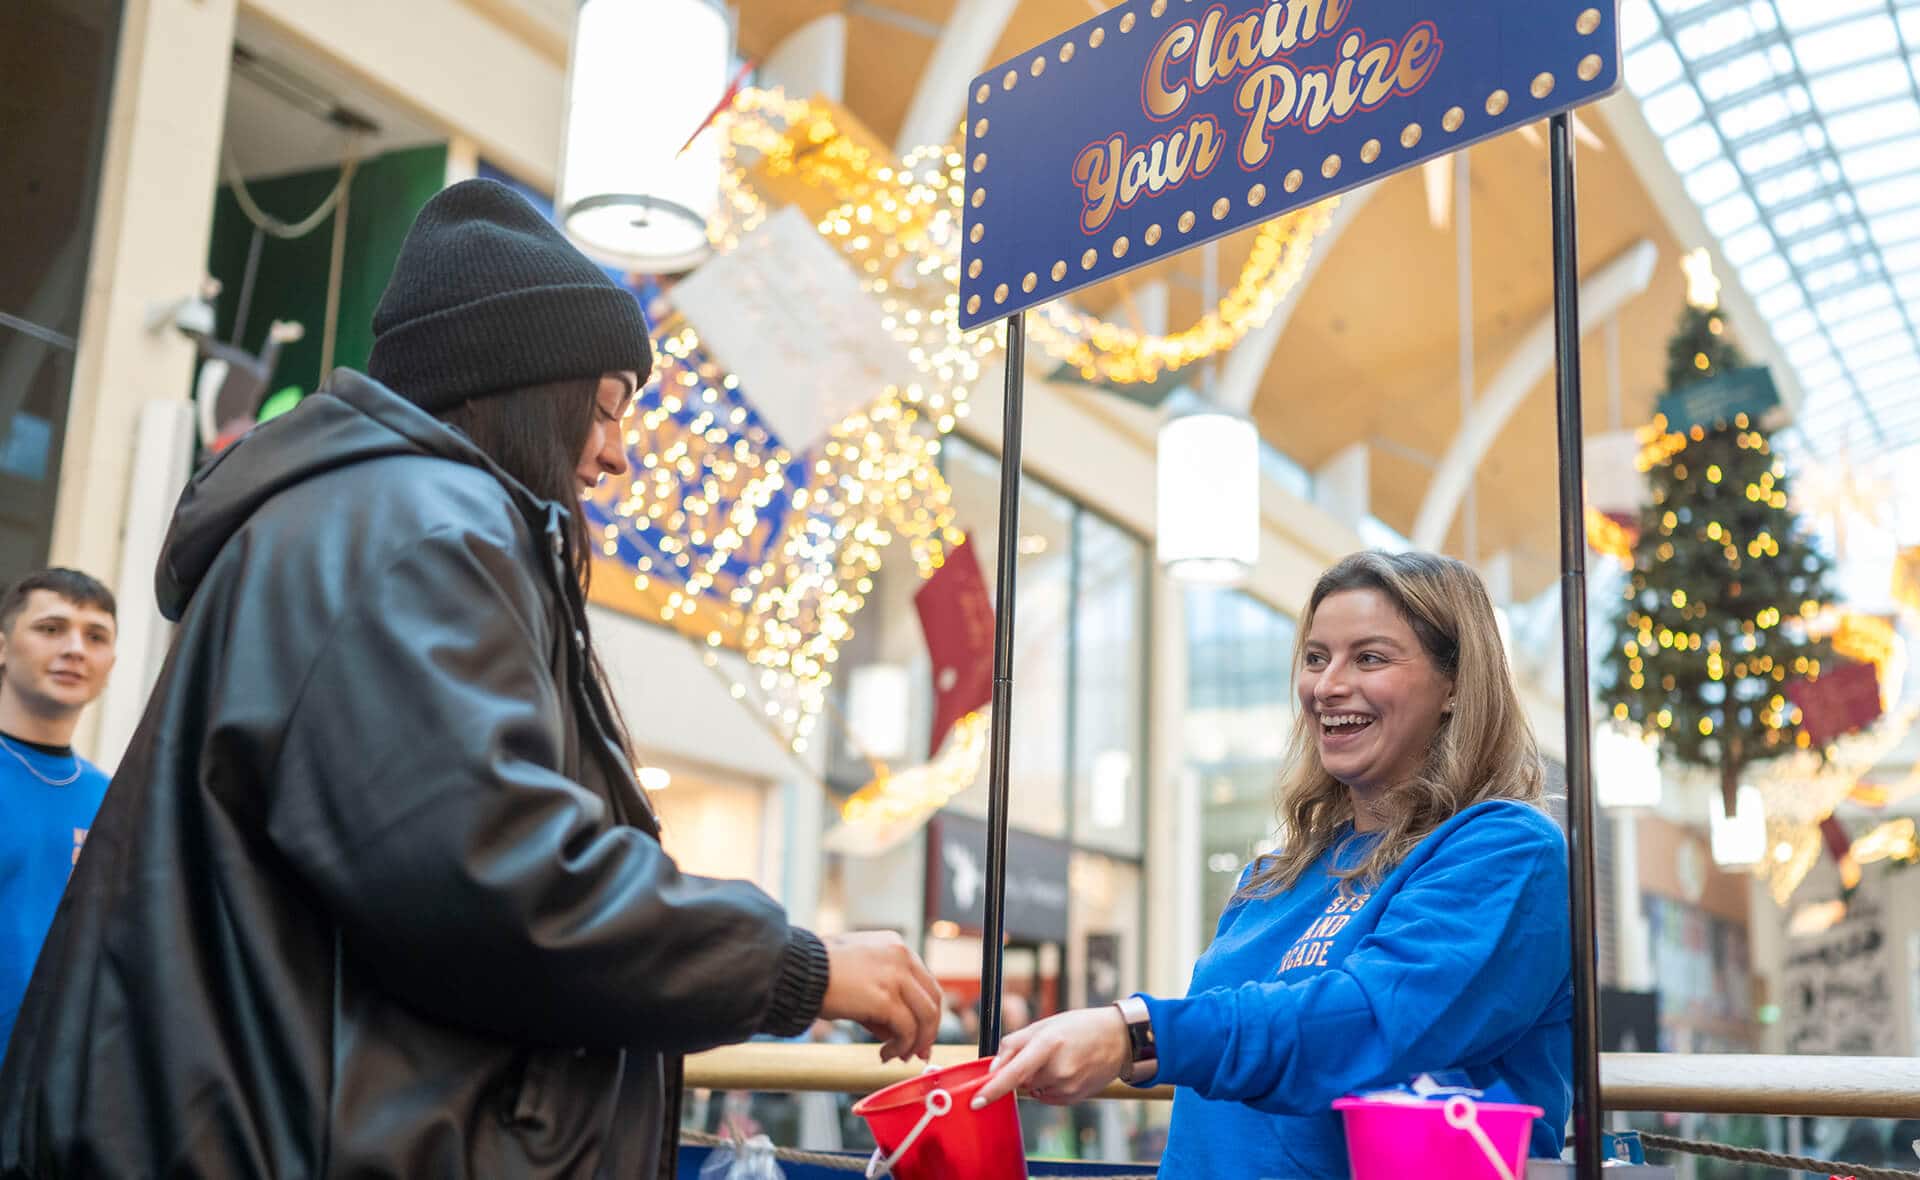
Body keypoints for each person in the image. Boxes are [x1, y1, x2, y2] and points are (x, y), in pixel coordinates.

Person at [0, 179, 943, 1180]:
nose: (617, 455)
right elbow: (495, 874)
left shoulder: (362, 515)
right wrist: (801, 965)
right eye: (611, 406)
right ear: (532, 382)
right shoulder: (426, 527)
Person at [973, 551, 1573, 1179]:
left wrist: (1140, 1035)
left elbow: (1366, 1024)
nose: (1326, 685)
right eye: (1316, 658)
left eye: (1369, 658)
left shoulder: (1508, 851)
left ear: (1455, 685)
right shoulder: (1278, 875)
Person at [0, 568, 117, 1059]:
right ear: (3, 648)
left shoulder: (113, 799)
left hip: (48, 1098)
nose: (75, 648)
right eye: (51, 628)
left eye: (96, 636)